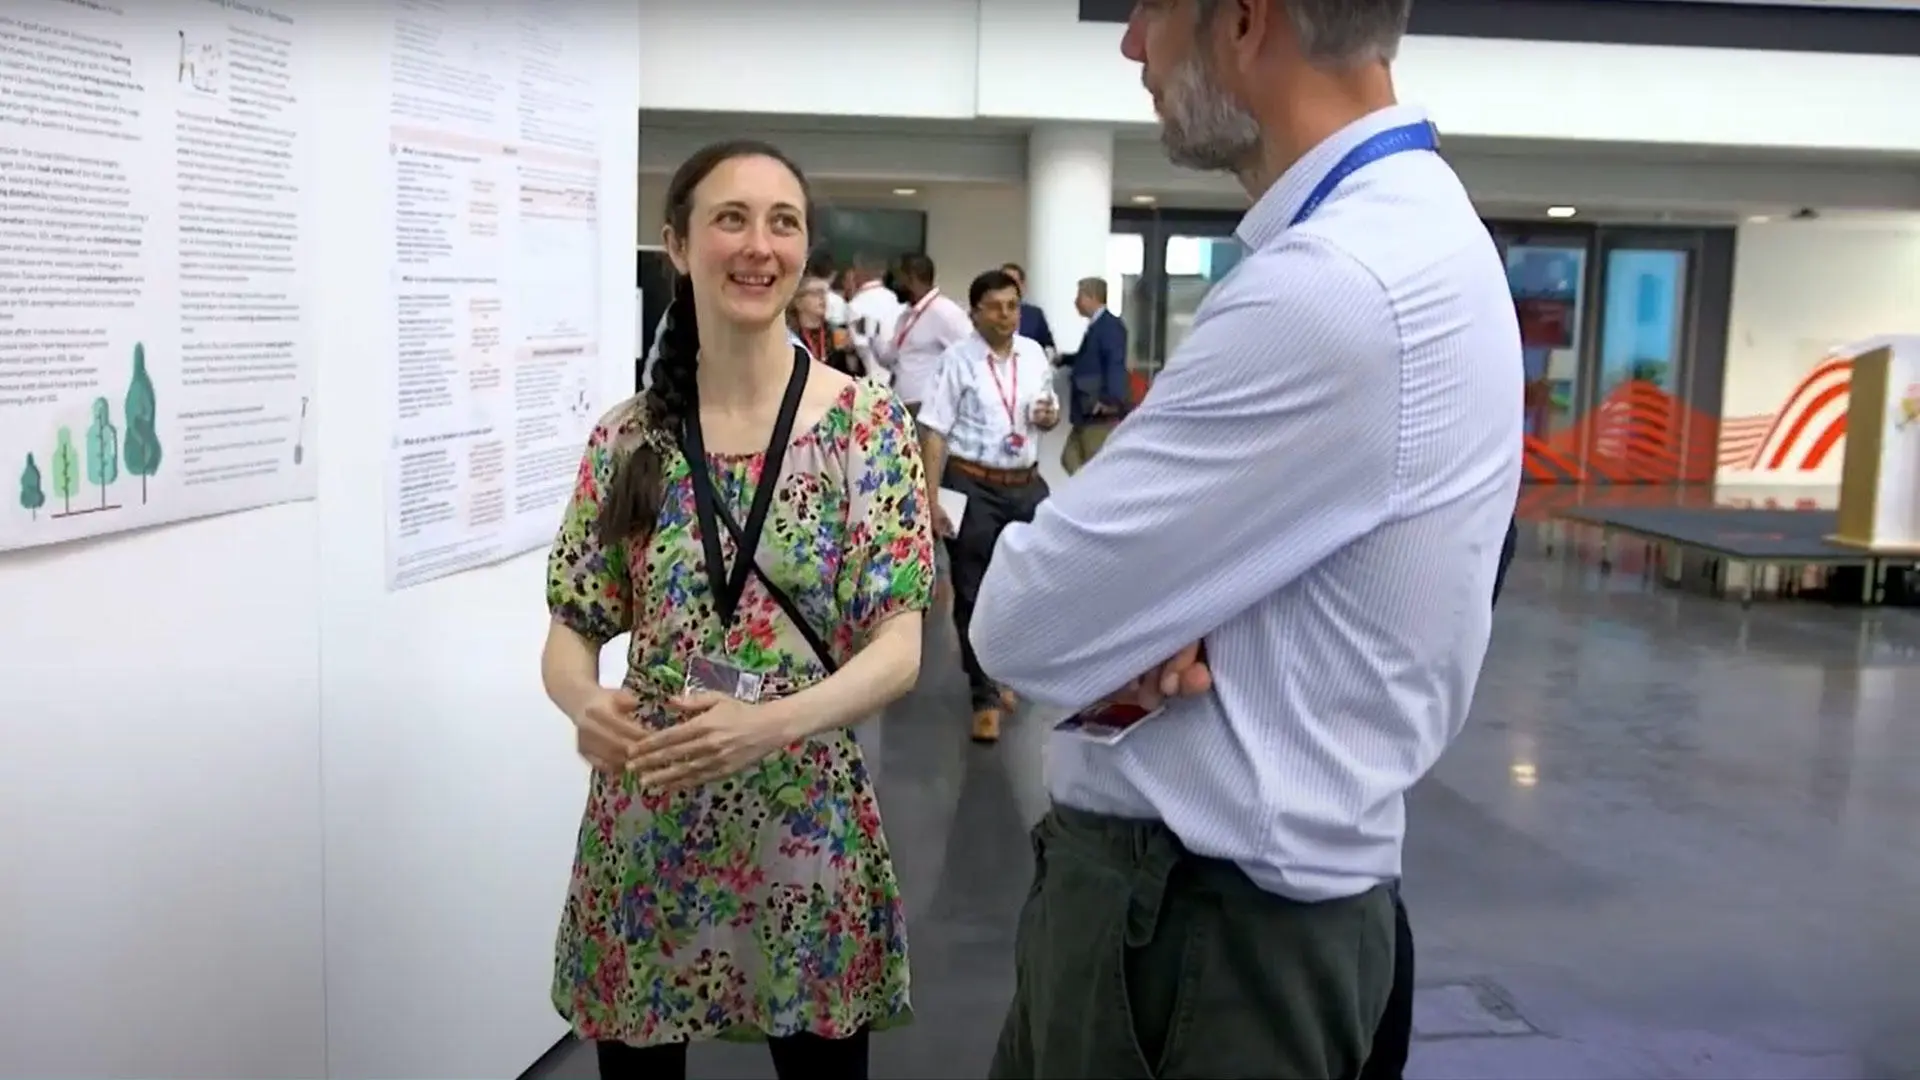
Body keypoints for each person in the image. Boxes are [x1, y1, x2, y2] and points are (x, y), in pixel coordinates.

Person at [969, 1, 1523, 1076]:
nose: (1133, 45)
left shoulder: (1334, 289)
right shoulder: (1421, 233)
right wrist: (1166, 604)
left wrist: (1139, 609)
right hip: (1243, 920)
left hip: (1190, 947)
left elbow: (1023, 622)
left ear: (1244, 19)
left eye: (1151, 11)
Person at [540, 138, 935, 1080]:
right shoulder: (627, 436)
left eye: (782, 221)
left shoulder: (862, 426)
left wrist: (763, 727)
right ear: (677, 245)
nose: (758, 246)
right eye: (730, 219)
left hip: (805, 826)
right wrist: (584, 705)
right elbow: (572, 627)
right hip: (651, 819)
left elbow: (900, 647)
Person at [916, 268, 1058, 744]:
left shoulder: (1035, 354)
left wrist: (1049, 416)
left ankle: (1003, 673)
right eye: (995, 307)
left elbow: (1047, 410)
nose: (1006, 315)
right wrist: (931, 498)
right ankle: (984, 697)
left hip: (1025, 482)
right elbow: (934, 430)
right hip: (971, 484)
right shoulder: (957, 361)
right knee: (973, 591)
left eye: (1013, 305)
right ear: (974, 312)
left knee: (1025, 589)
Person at [871, 252, 971, 414]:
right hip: (900, 405)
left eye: (898, 278)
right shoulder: (906, 316)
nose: (894, 285)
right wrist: (872, 336)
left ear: (912, 278)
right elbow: (889, 358)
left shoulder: (945, 312)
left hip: (927, 407)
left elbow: (969, 355)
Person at [1061, 276, 1129, 475]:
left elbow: (1114, 364)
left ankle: (1093, 502)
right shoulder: (1097, 327)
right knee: (1071, 458)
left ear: (1092, 297)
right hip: (1086, 409)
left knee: (1093, 465)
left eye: (1079, 296)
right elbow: (1091, 359)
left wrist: (1110, 400)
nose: (1075, 302)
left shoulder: (1110, 326)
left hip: (1099, 411)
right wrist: (1065, 359)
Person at [791, 275, 861, 377]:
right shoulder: (789, 336)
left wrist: (850, 353)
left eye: (824, 293)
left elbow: (851, 373)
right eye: (815, 293)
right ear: (798, 302)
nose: (822, 298)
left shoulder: (836, 331)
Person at [1000, 262, 1057, 361]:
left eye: (1014, 282)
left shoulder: (1035, 315)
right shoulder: (988, 314)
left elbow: (1048, 347)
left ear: (1022, 286)